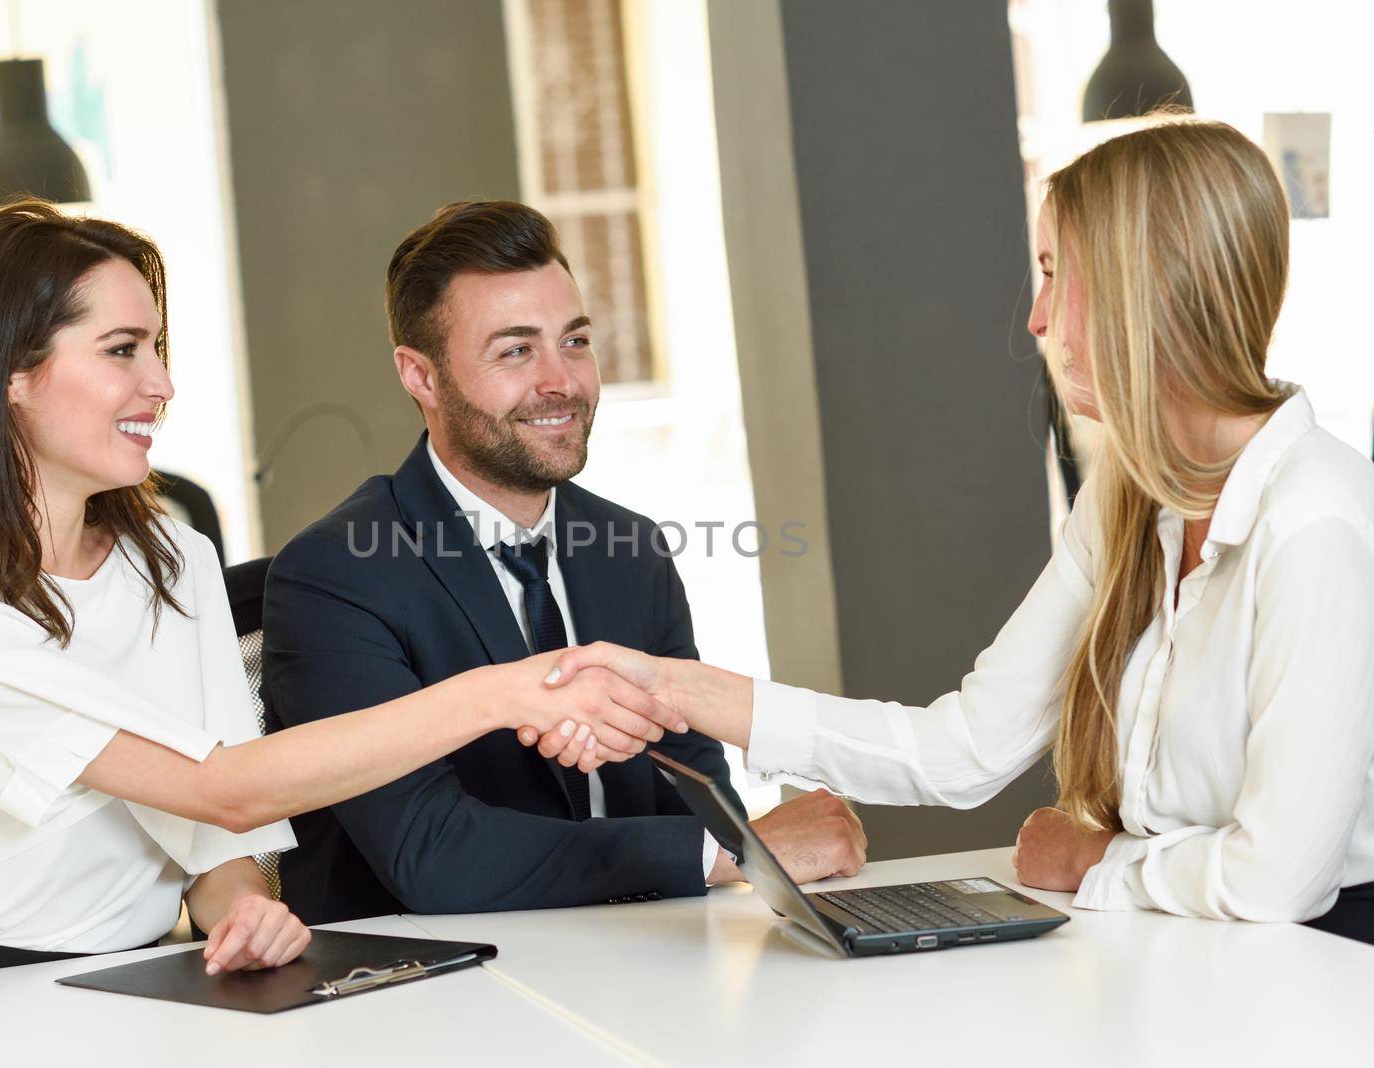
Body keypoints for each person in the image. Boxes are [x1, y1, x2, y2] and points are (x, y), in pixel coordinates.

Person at [534, 120, 1374, 944]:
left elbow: (1279, 881)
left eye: (1056, 274)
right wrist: (678, 691)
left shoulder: (1316, 519)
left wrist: (1096, 860)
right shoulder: (1126, 493)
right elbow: (963, 749)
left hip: (1326, 967)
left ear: (1149, 286)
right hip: (1192, 956)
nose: (1037, 319)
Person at [0, 200, 676, 983]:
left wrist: (242, 911)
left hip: (140, 980)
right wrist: (505, 691)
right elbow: (228, 787)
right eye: (122, 350)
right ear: (10, 371)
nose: (160, 383)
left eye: (156, 348)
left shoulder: (171, 558)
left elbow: (212, 838)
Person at [262, 200, 867, 924]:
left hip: (648, 954)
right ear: (419, 376)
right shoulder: (337, 575)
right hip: (438, 997)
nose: (563, 381)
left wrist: (732, 849)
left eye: (574, 340)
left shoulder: (631, 551)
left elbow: (697, 788)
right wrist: (728, 856)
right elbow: (432, 855)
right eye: (516, 350)